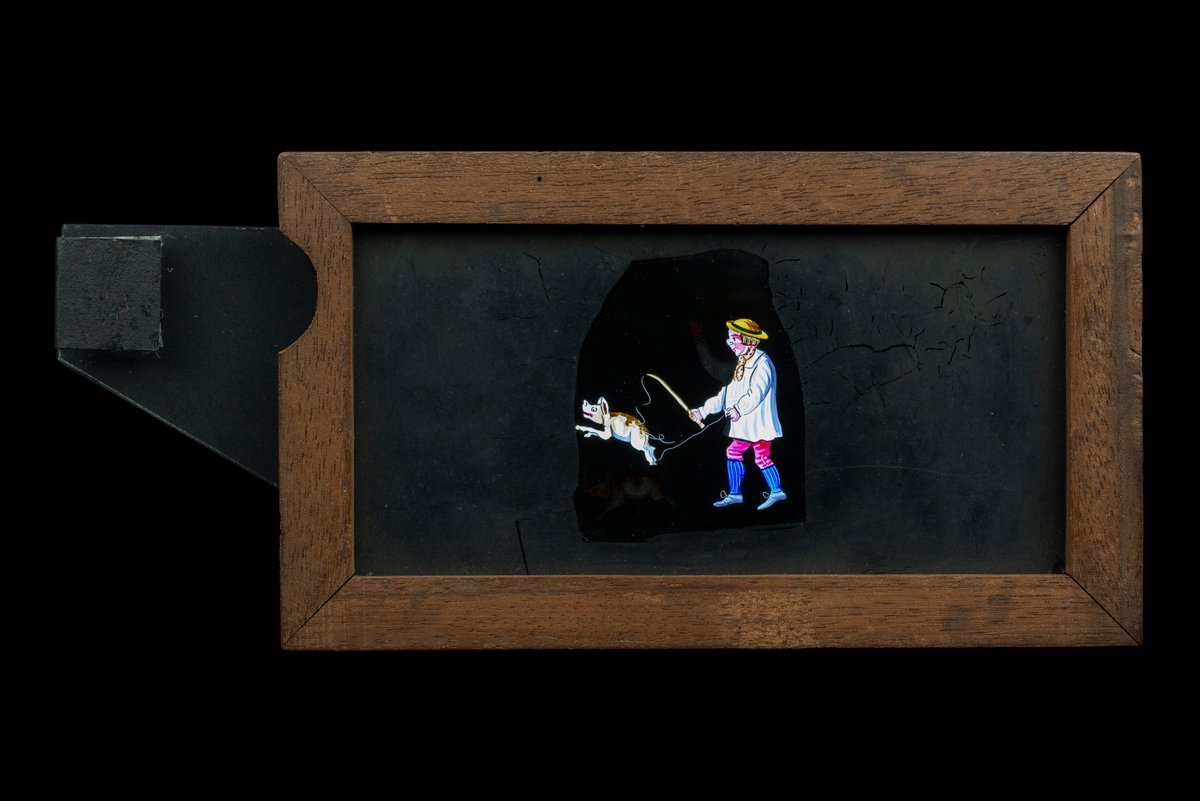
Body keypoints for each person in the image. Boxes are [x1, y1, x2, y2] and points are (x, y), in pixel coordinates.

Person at [689, 318, 786, 510]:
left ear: (748, 340)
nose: (729, 342)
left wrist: (739, 409)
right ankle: (735, 494)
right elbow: (725, 395)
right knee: (734, 452)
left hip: (759, 425)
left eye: (734, 338)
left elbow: (757, 393)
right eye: (729, 338)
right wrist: (703, 411)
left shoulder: (762, 362)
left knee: (761, 456)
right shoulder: (741, 363)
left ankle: (777, 492)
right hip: (746, 426)